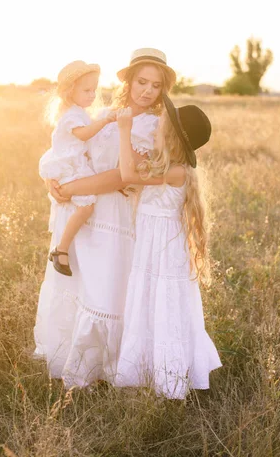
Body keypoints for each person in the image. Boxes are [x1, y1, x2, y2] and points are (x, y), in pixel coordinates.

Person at [34, 48, 177, 388]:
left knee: (105, 290)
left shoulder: (152, 126)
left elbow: (121, 177)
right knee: (78, 284)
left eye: (156, 86)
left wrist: (71, 187)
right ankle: (69, 355)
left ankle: (104, 367)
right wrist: (52, 181)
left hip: (114, 215)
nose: (147, 91)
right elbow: (69, 148)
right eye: (142, 81)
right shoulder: (103, 113)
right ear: (128, 80)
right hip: (82, 212)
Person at [115, 96, 222, 399]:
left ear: (172, 136)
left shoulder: (177, 172)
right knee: (150, 302)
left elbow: (127, 176)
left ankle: (170, 380)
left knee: (166, 306)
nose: (156, 126)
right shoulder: (166, 166)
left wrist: (124, 131)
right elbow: (132, 179)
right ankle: (145, 370)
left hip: (165, 249)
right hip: (151, 247)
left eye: (161, 124)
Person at [39, 60, 115, 276]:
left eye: (94, 90)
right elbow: (84, 135)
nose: (92, 95)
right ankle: (61, 249)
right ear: (70, 91)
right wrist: (105, 121)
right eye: (87, 90)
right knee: (86, 206)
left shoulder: (77, 111)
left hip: (73, 161)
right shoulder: (72, 115)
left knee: (86, 207)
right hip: (69, 165)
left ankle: (63, 248)